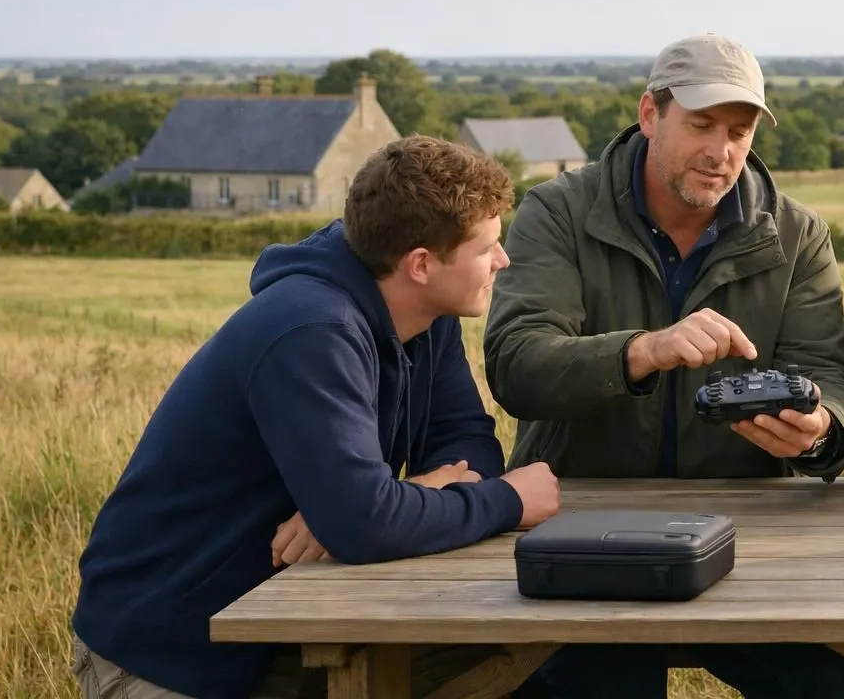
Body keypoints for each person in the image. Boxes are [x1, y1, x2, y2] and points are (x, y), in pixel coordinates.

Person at [70, 136, 561, 699]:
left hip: (279, 630)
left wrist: (401, 495)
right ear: (421, 263)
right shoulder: (312, 329)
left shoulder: (427, 315)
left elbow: (464, 443)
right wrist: (508, 501)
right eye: (488, 248)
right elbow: (364, 523)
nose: (504, 261)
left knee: (543, 677)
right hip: (167, 654)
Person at [485, 32, 844, 699]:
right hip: (586, 526)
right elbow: (517, 367)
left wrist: (820, 429)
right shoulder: (557, 211)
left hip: (749, 530)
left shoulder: (796, 232)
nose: (722, 151)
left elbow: (829, 374)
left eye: (740, 130)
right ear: (649, 114)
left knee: (841, 685)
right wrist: (642, 350)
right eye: (701, 125)